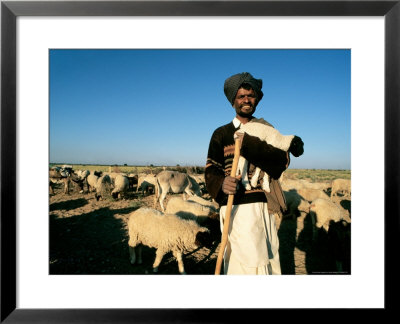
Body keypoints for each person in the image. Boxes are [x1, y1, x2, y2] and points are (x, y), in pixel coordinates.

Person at [205, 72, 304, 275]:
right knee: (241, 264)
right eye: (241, 96)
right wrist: (222, 184)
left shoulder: (266, 129)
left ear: (256, 98)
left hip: (262, 206)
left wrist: (247, 142)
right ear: (233, 101)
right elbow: (211, 168)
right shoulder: (221, 134)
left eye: (250, 95)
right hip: (235, 208)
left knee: (268, 259)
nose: (246, 100)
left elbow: (280, 163)